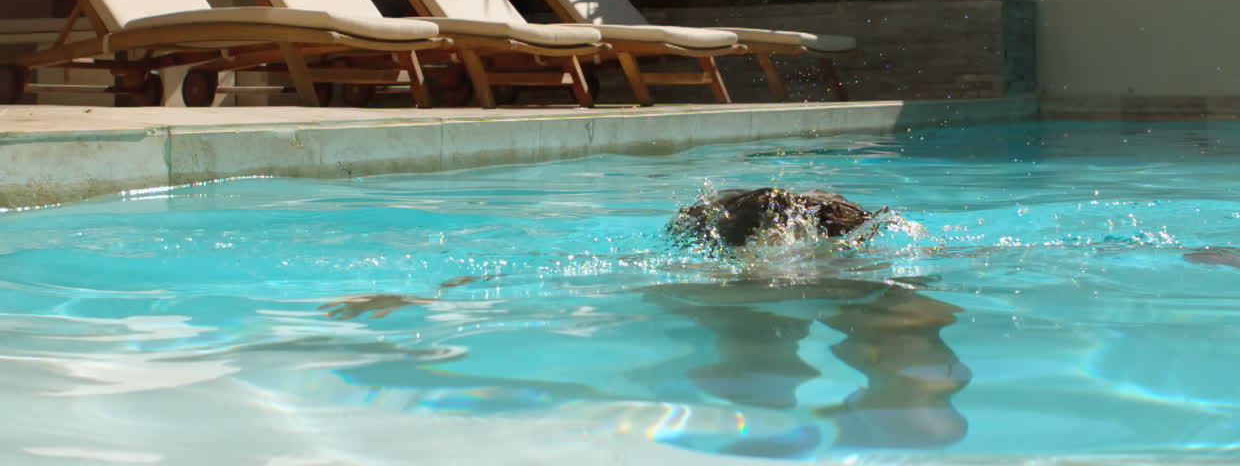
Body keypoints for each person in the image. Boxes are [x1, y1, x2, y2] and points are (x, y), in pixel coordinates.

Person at [321, 186, 972, 452]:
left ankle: (756, 405)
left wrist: (424, 302)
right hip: (865, 291)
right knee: (893, 348)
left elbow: (543, 278)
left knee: (745, 332)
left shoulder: (702, 276)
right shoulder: (886, 282)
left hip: (782, 298)